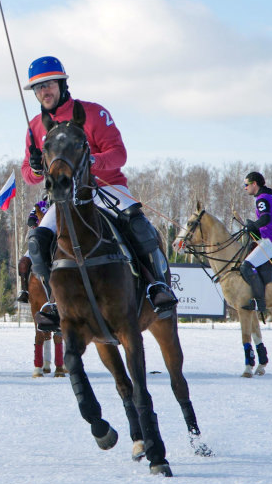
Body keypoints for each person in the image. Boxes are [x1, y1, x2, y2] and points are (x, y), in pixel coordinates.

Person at [21, 56, 177, 330]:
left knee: (139, 226)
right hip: (66, 198)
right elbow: (28, 173)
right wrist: (35, 169)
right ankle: (53, 301)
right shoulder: (36, 126)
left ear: (62, 84)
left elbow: (119, 154)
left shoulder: (92, 113)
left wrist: (90, 162)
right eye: (38, 88)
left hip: (106, 187)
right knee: (37, 241)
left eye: (50, 85)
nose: (44, 92)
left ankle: (157, 286)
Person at [240, 171, 272, 312]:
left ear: (254, 184)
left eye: (246, 184)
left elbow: (265, 218)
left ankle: (259, 303)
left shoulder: (261, 198)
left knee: (246, 266)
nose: (245, 188)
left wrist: (253, 227)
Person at [16, 194, 50, 303]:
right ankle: (25, 291)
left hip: (58, 239)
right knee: (23, 263)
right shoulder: (40, 205)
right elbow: (30, 220)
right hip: (41, 239)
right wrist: (36, 226)